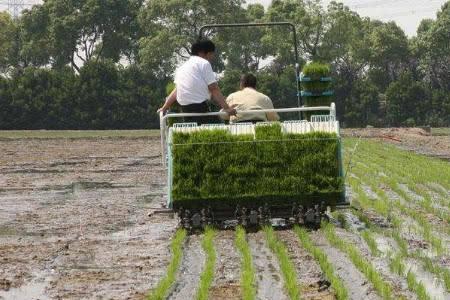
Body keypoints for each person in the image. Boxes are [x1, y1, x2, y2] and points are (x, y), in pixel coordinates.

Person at [157, 40, 236, 124]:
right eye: (211, 54)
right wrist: (227, 108)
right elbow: (214, 89)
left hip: (185, 110)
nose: (212, 57)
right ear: (202, 53)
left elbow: (176, 91)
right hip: (200, 108)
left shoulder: (181, 67)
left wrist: (164, 108)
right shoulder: (204, 63)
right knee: (220, 130)